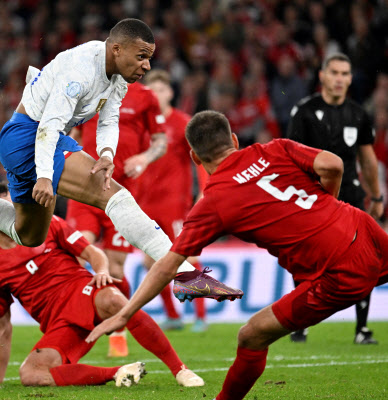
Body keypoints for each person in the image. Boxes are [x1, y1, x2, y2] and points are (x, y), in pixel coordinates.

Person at [0, 19, 242, 300]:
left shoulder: (117, 75)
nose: (147, 65)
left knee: (28, 235)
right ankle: (185, 276)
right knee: (114, 196)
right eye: (142, 56)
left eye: (150, 57)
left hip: (34, 141)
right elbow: (50, 125)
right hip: (31, 137)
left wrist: (105, 154)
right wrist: (43, 176)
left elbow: (109, 118)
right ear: (116, 49)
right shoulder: (80, 71)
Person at [87, 110, 388, 400]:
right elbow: (333, 165)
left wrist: (125, 314)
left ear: (195, 157)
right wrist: (327, 203)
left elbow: (167, 266)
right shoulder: (276, 148)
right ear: (234, 139)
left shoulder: (213, 202)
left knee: (251, 335)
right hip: (362, 227)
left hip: (337, 270)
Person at [0, 182, 204, 388]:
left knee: (113, 299)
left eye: (12, 205)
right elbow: (1, 326)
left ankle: (180, 369)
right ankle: (118, 373)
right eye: (0, 208)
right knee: (31, 374)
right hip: (59, 324)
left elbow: (93, 253)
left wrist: (101, 270)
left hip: (83, 292)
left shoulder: (48, 225)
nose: (10, 212)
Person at [286, 53, 384, 344]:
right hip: (312, 198)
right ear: (322, 76)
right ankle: (300, 322)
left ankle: (362, 329)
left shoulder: (358, 114)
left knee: (362, 259)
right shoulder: (304, 111)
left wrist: (377, 196)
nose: (340, 79)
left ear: (351, 79)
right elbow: (290, 157)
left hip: (351, 196)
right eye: (335, 73)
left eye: (345, 74)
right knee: (305, 260)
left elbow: (368, 158)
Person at [66, 80, 169, 356]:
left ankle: (118, 330)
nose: (142, 66)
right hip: (85, 190)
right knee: (75, 256)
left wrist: (145, 158)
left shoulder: (145, 96)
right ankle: (71, 329)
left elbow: (161, 142)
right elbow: (72, 132)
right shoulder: (90, 89)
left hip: (121, 195)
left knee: (115, 270)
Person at [140, 69, 208, 332]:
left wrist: (204, 190)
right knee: (150, 262)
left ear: (170, 93)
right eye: (151, 90)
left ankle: (201, 315)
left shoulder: (183, 123)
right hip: (145, 204)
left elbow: (201, 160)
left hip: (175, 204)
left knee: (188, 257)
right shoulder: (141, 124)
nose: (156, 94)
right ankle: (173, 316)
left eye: (161, 89)